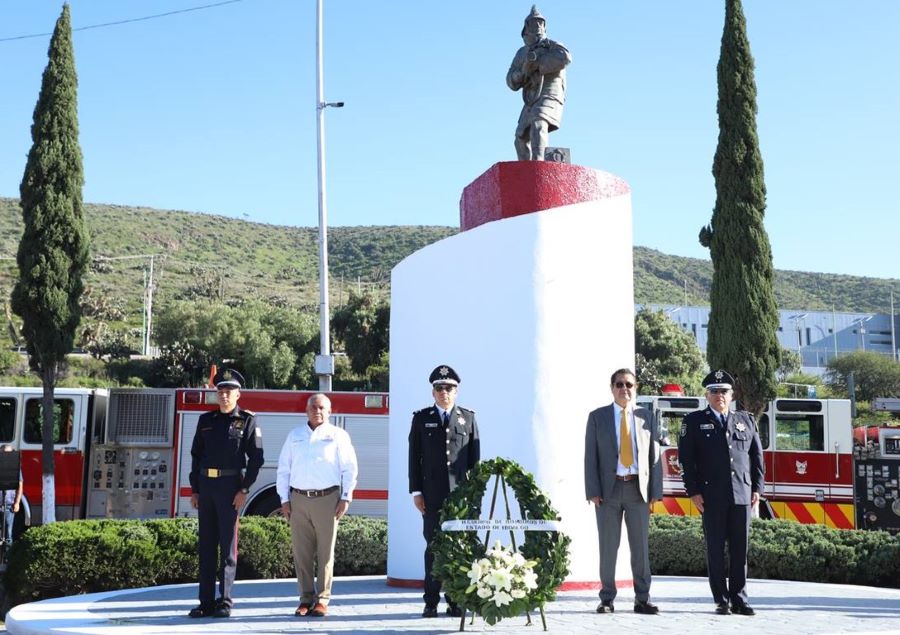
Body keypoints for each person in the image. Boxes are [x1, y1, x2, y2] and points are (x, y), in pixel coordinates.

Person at [678, 370, 764, 616]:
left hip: (741, 495)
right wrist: (693, 491)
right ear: (707, 395)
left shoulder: (745, 420)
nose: (720, 396)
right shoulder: (693, 421)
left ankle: (739, 598)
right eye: (714, 391)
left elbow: (756, 457)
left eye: (724, 391)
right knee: (715, 550)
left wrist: (757, 488)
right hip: (711, 496)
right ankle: (721, 599)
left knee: (740, 550)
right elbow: (686, 460)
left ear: (732, 394)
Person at [583, 368, 662, 615]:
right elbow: (590, 457)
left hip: (637, 489)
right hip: (609, 491)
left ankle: (642, 598)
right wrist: (592, 491)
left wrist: (654, 493)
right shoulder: (598, 417)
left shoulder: (646, 417)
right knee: (608, 547)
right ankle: (606, 598)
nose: (624, 389)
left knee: (640, 547)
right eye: (619, 384)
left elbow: (654, 456)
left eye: (629, 384)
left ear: (635, 388)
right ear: (612, 388)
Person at [187, 368, 264, 618]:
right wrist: (195, 490)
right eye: (220, 390)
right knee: (207, 547)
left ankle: (225, 601)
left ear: (238, 394)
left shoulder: (248, 421)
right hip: (206, 488)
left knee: (228, 548)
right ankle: (205, 602)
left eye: (229, 391)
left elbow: (256, 459)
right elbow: (196, 456)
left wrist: (244, 489)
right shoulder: (205, 421)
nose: (224, 395)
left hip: (230, 489)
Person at [276, 393, 358, 618]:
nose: (317, 411)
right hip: (299, 500)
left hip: (327, 499)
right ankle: (305, 599)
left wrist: (346, 497)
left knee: (325, 553)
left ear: (330, 412)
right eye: (313, 407)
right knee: (301, 554)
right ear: (306, 411)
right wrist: (284, 499)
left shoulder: (338, 436)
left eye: (322, 408)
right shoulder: (295, 436)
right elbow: (284, 469)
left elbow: (350, 468)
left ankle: (322, 600)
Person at [408, 365, 480, 618]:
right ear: (433, 392)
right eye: (439, 388)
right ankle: (431, 601)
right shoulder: (421, 418)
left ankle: (455, 599)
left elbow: (474, 462)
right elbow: (414, 458)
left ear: (456, 391)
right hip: (431, 495)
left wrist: (474, 496)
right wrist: (416, 491)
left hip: (460, 497)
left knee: (458, 548)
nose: (444, 393)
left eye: (449, 388)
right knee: (433, 547)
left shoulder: (467, 419)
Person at [506, 5, 572, 161]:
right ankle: (526, 171)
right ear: (526, 28)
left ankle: (538, 164)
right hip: (531, 96)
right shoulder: (522, 53)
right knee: (520, 137)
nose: (537, 26)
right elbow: (510, 80)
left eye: (540, 23)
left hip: (550, 92)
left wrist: (538, 64)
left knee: (538, 123)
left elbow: (565, 58)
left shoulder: (551, 45)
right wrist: (523, 72)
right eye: (533, 23)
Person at [1, 444, 22, 548]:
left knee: (8, 534)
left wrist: (17, 502)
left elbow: (20, 485)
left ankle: (7, 560)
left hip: (9, 505)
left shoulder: (15, 468)